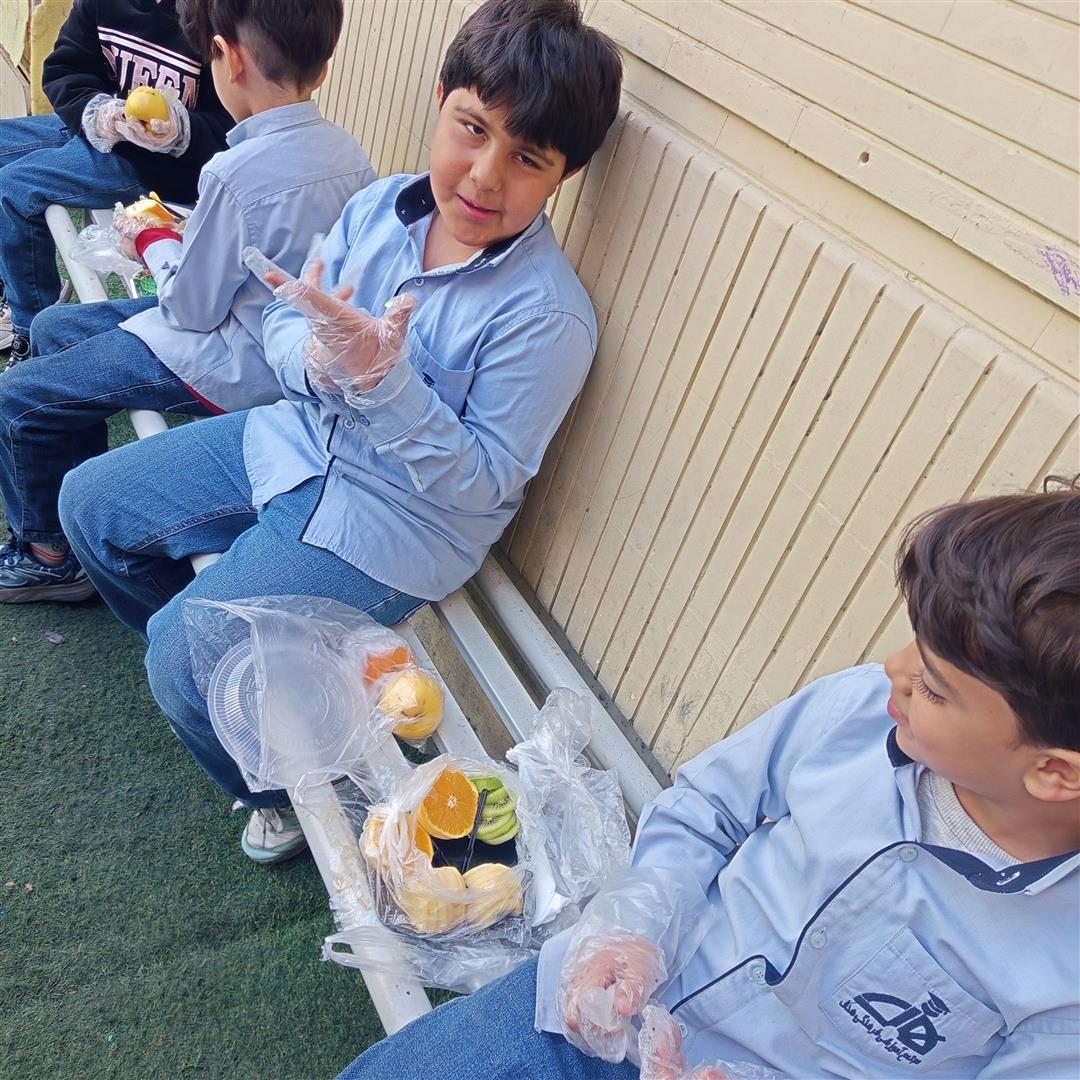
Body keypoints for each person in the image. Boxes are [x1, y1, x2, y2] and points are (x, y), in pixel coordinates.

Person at [56, 0, 623, 864]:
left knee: (179, 658)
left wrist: (388, 387)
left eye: (527, 158)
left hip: (398, 525)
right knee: (87, 503)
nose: (484, 176)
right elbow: (288, 319)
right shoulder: (379, 207)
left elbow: (479, 484)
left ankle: (281, 796)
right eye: (472, 128)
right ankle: (246, 698)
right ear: (440, 101)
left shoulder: (549, 318)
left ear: (564, 176)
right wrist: (320, 363)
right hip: (296, 437)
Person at [338, 480, 1080, 1079]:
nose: (894, 668)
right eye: (912, 641)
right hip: (605, 1001)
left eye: (937, 686)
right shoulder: (860, 710)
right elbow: (710, 806)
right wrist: (635, 925)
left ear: (1053, 772)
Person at [0, 0, 375, 603]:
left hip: (224, 356)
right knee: (54, 327)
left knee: (18, 397)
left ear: (226, 58)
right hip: (268, 342)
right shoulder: (349, 155)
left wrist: (151, 241)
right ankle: (66, 523)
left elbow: (189, 308)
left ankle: (47, 554)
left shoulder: (234, 171)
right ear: (324, 67)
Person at [0, 0, 234, 363]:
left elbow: (233, 124)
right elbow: (65, 68)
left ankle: (29, 335)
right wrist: (97, 111)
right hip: (101, 131)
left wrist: (180, 130)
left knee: (15, 187)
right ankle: (15, 280)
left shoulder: (217, 13)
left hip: (162, 168)